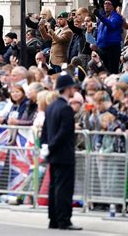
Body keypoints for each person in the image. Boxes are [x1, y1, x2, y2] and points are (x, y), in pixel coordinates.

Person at [40, 73, 82, 230]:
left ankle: (54, 219)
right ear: (67, 89)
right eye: (72, 87)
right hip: (63, 154)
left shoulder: (51, 107)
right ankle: (64, 219)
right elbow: (64, 133)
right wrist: (50, 146)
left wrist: (44, 146)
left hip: (53, 154)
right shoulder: (65, 109)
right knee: (63, 188)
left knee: (54, 187)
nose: (73, 90)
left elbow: (45, 131)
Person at [94, 0, 123, 74]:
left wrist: (100, 16)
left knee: (112, 71)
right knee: (104, 71)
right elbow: (98, 31)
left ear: (113, 6)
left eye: (109, 4)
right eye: (105, 3)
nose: (106, 5)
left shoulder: (116, 16)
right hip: (102, 48)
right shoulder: (103, 17)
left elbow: (111, 25)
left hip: (112, 48)